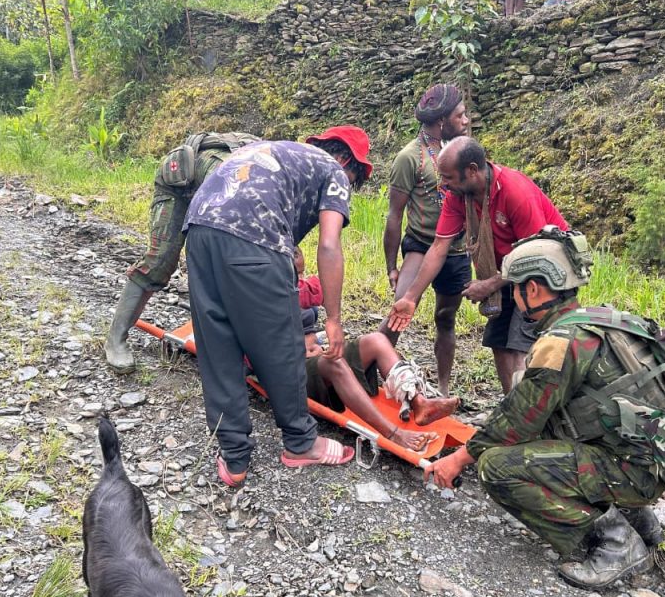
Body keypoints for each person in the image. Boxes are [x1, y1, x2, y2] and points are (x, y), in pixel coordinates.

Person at [423, 228, 665, 590]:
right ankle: (638, 518)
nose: (514, 297)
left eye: (514, 288)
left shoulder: (560, 342)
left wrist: (459, 459)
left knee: (496, 468)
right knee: (543, 419)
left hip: (632, 471)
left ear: (533, 289)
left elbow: (518, 421)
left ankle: (615, 542)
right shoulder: (597, 319)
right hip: (650, 462)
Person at [183, 127, 372, 487]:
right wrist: (333, 318)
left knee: (219, 342)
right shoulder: (334, 171)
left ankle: (234, 457)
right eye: (355, 179)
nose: (349, 188)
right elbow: (329, 244)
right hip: (254, 237)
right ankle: (301, 443)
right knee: (282, 343)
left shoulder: (279, 152)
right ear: (346, 161)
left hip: (199, 229)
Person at [387, 137, 569, 394]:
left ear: (472, 170)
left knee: (520, 345)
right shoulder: (458, 196)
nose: (443, 184)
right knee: (499, 339)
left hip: (546, 270)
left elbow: (536, 254)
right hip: (510, 268)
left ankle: (530, 417)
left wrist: (489, 284)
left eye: (448, 177)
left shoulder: (514, 191)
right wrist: (410, 297)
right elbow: (439, 247)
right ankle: (512, 410)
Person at [104, 132, 261, 374]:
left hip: (219, 186)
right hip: (179, 181)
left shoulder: (277, 183)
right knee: (161, 259)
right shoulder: (230, 177)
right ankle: (115, 340)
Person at [381, 83, 472, 396]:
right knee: (400, 310)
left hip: (456, 251)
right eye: (460, 115)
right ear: (442, 120)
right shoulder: (411, 157)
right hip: (421, 245)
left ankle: (443, 389)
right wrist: (392, 266)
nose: (466, 120)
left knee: (446, 318)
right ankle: (368, 370)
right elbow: (394, 216)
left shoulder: (463, 152)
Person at [302, 328, 461, 452]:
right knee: (334, 362)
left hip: (314, 353)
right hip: (291, 370)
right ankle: (393, 434)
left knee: (376, 340)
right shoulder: (278, 293)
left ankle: (419, 401)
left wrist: (318, 342)